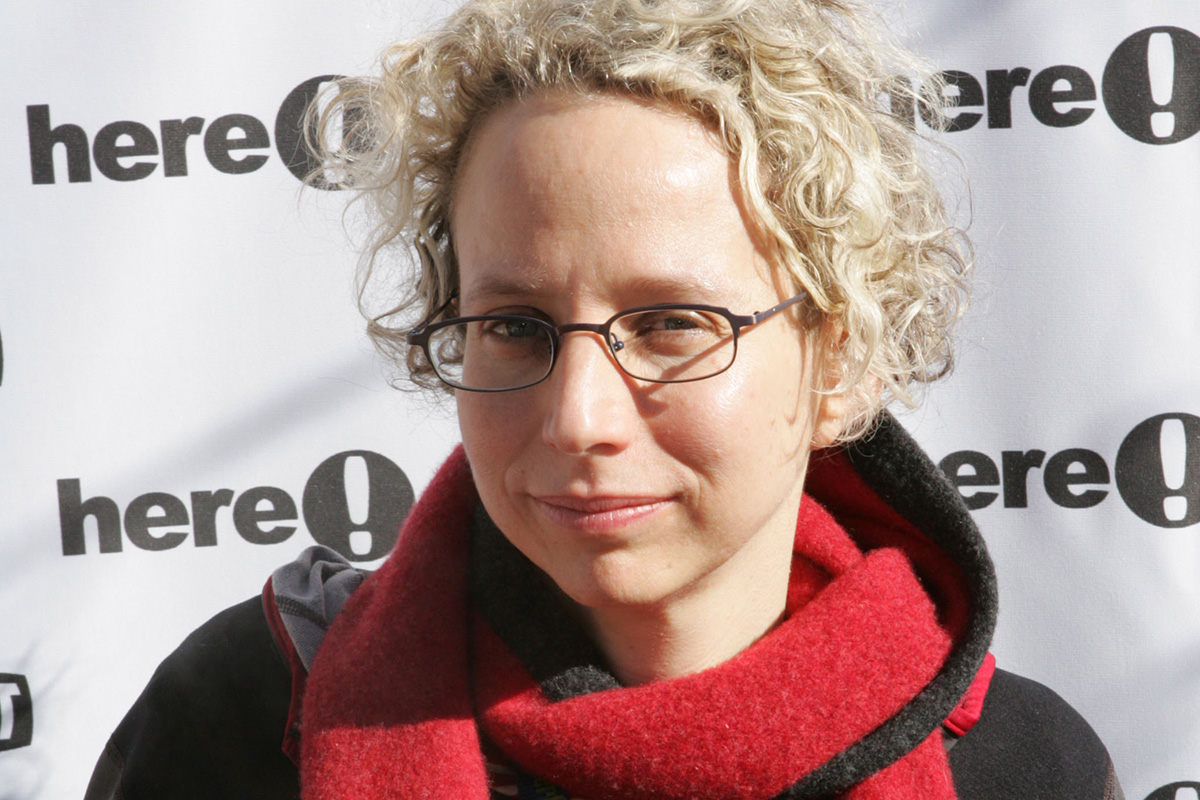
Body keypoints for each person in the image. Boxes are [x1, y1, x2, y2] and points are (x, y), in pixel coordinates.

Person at [86, 1, 1124, 798]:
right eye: (516, 325)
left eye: (674, 323)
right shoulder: (250, 717)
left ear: (839, 360)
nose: (580, 415)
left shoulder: (1020, 768)